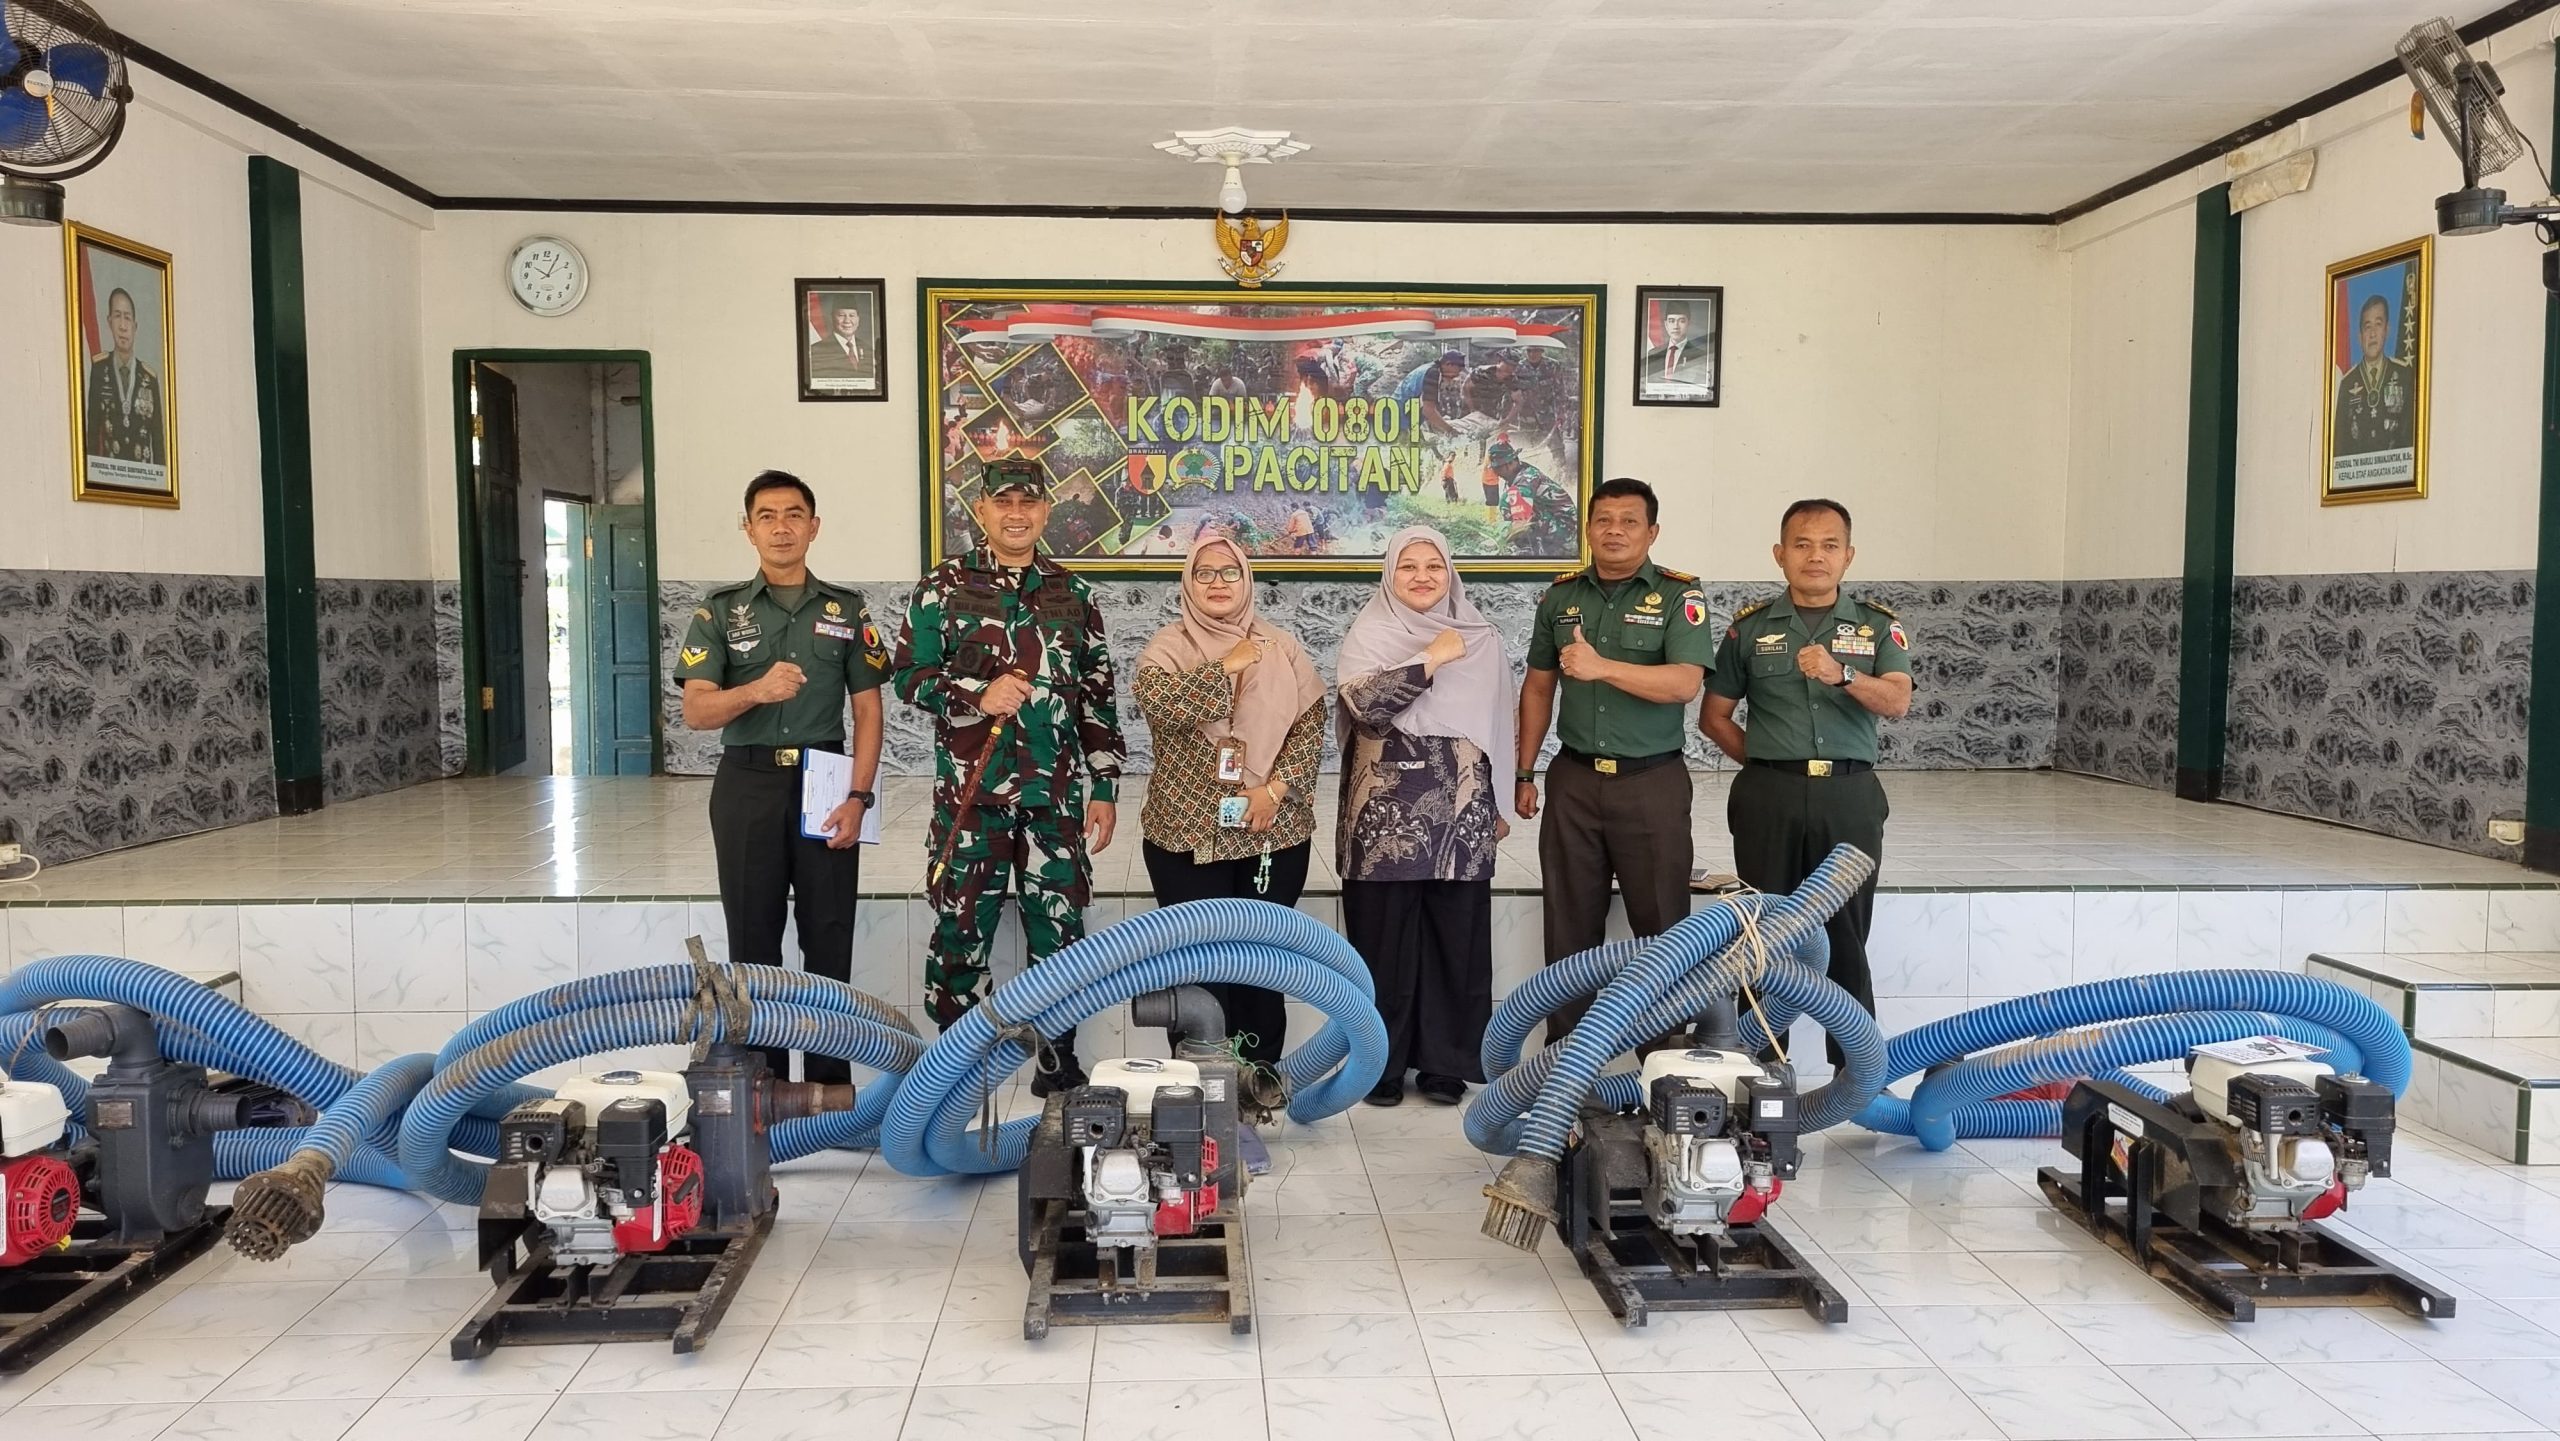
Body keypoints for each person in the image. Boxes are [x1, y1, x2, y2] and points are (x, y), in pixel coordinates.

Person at [895, 459, 1126, 1093]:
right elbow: (909, 675)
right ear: (982, 509)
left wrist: (1104, 785)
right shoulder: (944, 586)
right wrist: (976, 692)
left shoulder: (1073, 593)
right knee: (961, 929)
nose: (1016, 513)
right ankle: (956, 1068)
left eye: (1029, 502)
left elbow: (1097, 697)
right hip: (972, 798)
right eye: (1003, 502)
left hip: (1054, 798)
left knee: (1061, 931)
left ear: (1047, 510)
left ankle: (1057, 1059)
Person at [675, 471, 888, 1087]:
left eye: (794, 515)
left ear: (813, 527)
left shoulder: (846, 609)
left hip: (827, 782)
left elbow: (869, 711)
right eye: (766, 516)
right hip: (747, 785)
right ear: (748, 529)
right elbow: (696, 711)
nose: (781, 527)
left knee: (829, 937)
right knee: (753, 941)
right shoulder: (719, 611)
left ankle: (828, 1090)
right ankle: (763, 1092)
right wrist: (757, 690)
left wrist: (859, 797)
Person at [1700, 499, 1910, 1064]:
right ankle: (1762, 1067)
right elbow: (1714, 717)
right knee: (1764, 933)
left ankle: (1857, 1072)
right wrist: (1768, 762)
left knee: (1847, 935)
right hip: (1770, 796)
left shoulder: (1877, 625)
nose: (1815, 556)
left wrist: (1843, 675)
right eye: (1802, 544)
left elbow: (1896, 701)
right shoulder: (1749, 629)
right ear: (1780, 554)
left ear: (1848, 556)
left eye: (1829, 545)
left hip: (1849, 797)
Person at [1517, 478, 1712, 1036]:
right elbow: (1538, 687)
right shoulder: (1561, 597)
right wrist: (1524, 771)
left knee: (1663, 928)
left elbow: (1684, 683)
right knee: (1568, 929)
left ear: (1652, 532)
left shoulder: (1679, 595)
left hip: (1651, 784)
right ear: (1588, 529)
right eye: (1603, 520)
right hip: (1574, 781)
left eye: (1629, 521)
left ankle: (1664, 1061)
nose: (1615, 531)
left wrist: (1602, 667)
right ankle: (1567, 1064)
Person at [1133, 535, 1328, 1074]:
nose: (1217, 583)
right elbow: (1162, 706)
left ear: (1247, 580)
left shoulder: (1281, 646)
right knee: (1195, 963)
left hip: (1272, 832)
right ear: (1188, 584)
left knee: (1261, 961)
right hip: (1185, 835)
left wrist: (1273, 790)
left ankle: (1258, 1078)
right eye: (1204, 573)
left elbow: (1310, 726)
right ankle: (1197, 1080)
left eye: (1229, 572)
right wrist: (1225, 668)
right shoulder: (1166, 648)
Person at [1338, 527, 1515, 1105]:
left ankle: (1446, 1063)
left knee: (1457, 944)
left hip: (1463, 812)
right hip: (1382, 817)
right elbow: (1366, 707)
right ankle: (1380, 1065)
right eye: (1408, 566)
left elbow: (1500, 723)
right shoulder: (1370, 632)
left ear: (1451, 574)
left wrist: (1499, 801)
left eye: (1433, 566)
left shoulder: (1481, 637)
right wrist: (1430, 657)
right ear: (1389, 573)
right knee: (1381, 945)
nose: (1421, 576)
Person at [85, 286, 165, 465]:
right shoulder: (99, 370)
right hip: (109, 473)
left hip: (143, 476)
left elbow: (158, 444)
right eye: (117, 316)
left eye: (127, 318)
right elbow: (92, 435)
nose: (122, 326)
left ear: (135, 326)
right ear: (109, 322)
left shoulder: (149, 378)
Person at [2334, 293, 2416, 456]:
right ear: (2360, 337)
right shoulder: (2348, 383)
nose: (2372, 334)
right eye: (2367, 327)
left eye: (2378, 324)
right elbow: (2340, 447)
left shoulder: (2404, 376)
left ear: (2387, 330)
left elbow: (2410, 439)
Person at [1394, 349, 1471, 437]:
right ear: (1448, 364)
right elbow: (1428, 411)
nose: (1457, 374)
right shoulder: (1433, 373)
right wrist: (1451, 431)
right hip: (1399, 418)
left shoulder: (1431, 368)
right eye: (1458, 369)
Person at [1642, 300, 1715, 391]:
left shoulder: (1700, 356)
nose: (1676, 326)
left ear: (1689, 323)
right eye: (1671, 321)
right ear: (1666, 324)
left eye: (1681, 321)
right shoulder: (1653, 354)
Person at [807, 299, 874, 384]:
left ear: (858, 319)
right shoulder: (817, 350)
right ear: (832, 318)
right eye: (841, 315)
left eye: (852, 315)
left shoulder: (868, 349)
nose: (847, 321)